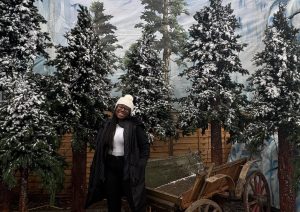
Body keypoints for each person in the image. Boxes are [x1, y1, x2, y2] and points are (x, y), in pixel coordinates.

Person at [85, 94, 150, 212]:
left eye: (126, 108)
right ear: (116, 108)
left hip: (128, 167)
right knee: (112, 199)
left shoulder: (135, 126)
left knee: (133, 199)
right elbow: (100, 144)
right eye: (120, 107)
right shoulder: (107, 125)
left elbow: (145, 147)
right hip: (110, 167)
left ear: (129, 112)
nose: (122, 110)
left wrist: (140, 164)